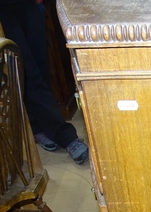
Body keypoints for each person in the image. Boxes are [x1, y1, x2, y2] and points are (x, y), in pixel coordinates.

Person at [0, 0, 89, 165]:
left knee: (41, 65)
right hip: (4, 9)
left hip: (29, 4)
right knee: (27, 69)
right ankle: (66, 136)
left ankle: (38, 126)